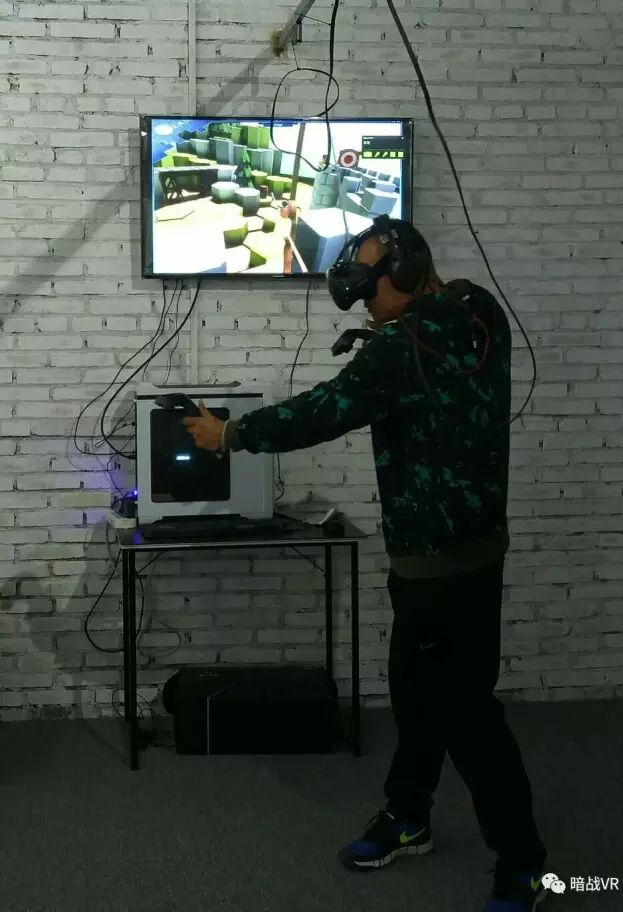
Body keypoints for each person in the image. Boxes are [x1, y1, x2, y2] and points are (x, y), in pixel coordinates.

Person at [183, 219, 548, 912]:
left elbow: (320, 413)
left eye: (371, 286)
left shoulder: (397, 351)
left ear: (405, 275)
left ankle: (525, 864)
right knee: (414, 694)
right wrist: (388, 328)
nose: (366, 304)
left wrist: (228, 433)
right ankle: (408, 816)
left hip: (443, 563)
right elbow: (425, 343)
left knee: (468, 717)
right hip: (460, 553)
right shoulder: (478, 310)